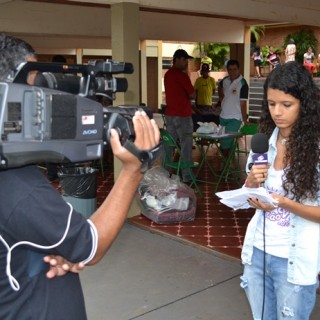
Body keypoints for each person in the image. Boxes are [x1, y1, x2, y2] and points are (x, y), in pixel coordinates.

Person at [0, 33, 160, 320]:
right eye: (37, 83)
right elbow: (91, 245)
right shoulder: (17, 187)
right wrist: (133, 170)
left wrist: (51, 251)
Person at [241, 61, 320, 319]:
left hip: (293, 262)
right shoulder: (264, 141)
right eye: (271, 103)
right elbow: (249, 191)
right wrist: (252, 184)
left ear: (304, 105)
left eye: (286, 105)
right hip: (258, 254)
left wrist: (283, 202)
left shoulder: (315, 150)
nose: (277, 112)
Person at [164, 48, 195, 183]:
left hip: (170, 115)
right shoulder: (182, 76)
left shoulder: (168, 74)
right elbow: (192, 94)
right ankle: (187, 176)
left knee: (168, 146)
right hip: (182, 115)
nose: (186, 62)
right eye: (184, 60)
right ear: (176, 59)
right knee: (186, 145)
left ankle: (164, 174)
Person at [216, 59, 249, 158]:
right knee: (223, 143)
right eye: (230, 69)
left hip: (235, 118)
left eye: (234, 69)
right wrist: (221, 97)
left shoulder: (243, 83)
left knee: (225, 144)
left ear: (239, 70)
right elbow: (219, 86)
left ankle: (225, 168)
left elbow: (243, 103)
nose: (232, 72)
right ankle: (229, 167)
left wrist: (244, 119)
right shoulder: (225, 81)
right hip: (223, 117)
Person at [46, 54, 68, 182]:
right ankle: (66, 172)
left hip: (50, 117)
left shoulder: (47, 79)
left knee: (50, 147)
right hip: (66, 117)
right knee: (65, 146)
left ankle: (52, 174)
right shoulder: (68, 78)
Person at [192, 63, 219, 130]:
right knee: (200, 122)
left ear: (208, 71)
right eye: (204, 71)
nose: (205, 72)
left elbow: (213, 91)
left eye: (206, 71)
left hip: (208, 105)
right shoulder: (198, 80)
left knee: (208, 122)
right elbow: (196, 91)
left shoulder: (212, 80)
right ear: (202, 71)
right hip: (199, 105)